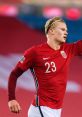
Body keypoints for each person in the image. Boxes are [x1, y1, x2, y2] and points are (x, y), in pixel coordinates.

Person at [8, 17, 82, 117]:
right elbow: (14, 74)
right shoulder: (35, 52)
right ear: (51, 31)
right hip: (42, 108)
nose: (66, 32)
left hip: (56, 110)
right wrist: (12, 99)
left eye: (67, 30)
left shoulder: (68, 50)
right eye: (62, 29)